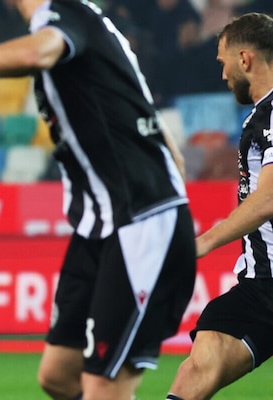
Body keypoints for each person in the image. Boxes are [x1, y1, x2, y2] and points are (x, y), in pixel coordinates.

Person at [0, 1, 196, 399]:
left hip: (140, 217)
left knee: (103, 384)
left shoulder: (65, 13)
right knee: (57, 375)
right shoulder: (84, 31)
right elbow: (160, 137)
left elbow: (38, 52)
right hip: (98, 226)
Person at [166, 12, 273, 400]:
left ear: (244, 59)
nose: (223, 74)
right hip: (262, 287)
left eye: (223, 61)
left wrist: (202, 243)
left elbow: (268, 199)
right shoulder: (259, 117)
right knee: (199, 363)